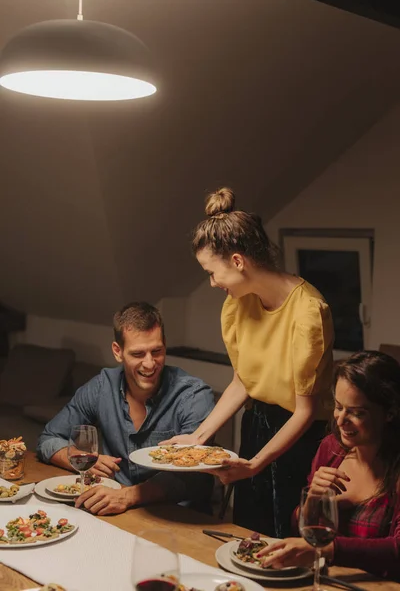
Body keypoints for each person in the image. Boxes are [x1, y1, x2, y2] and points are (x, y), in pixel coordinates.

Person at [162, 187, 334, 537]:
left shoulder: (308, 313)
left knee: (286, 538)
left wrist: (255, 465)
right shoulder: (237, 304)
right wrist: (198, 437)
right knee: (247, 535)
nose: (211, 283)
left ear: (238, 261)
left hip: (300, 439)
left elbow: (304, 411)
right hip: (256, 426)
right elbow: (243, 381)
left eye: (212, 272)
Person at [37, 301, 215, 516]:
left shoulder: (194, 395)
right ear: (117, 351)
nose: (149, 364)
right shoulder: (101, 387)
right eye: (138, 354)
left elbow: (192, 475)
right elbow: (48, 438)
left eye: (156, 351)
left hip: (178, 517)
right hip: (115, 510)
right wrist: (82, 461)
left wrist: (128, 497)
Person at [257, 350, 400, 581]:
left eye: (357, 413)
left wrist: (325, 550)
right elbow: (301, 528)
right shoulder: (331, 448)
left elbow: (396, 550)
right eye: (338, 406)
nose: (341, 420)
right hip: (327, 581)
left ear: (390, 412)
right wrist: (311, 500)